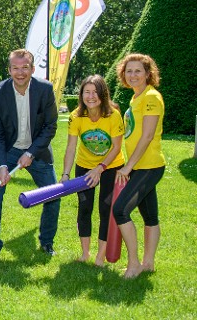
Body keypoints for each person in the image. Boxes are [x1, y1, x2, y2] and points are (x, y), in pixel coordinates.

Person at [0, 49, 59, 264]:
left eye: (25, 67)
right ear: (9, 70)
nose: (20, 72)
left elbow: (50, 125)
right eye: (15, 68)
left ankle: (46, 241)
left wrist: (31, 153)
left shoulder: (45, 89)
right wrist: (2, 166)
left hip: (37, 150)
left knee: (52, 195)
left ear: (32, 69)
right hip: (6, 149)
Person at [61, 75, 125, 266]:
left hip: (111, 166)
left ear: (103, 94)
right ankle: (85, 253)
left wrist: (100, 168)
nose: (91, 96)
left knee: (106, 209)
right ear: (81, 95)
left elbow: (116, 147)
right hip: (85, 165)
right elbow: (71, 147)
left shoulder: (113, 115)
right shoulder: (76, 116)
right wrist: (65, 173)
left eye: (95, 92)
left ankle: (100, 256)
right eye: (87, 92)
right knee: (85, 208)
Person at [113, 53, 165, 279]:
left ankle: (134, 264)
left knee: (120, 210)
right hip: (139, 166)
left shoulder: (151, 97)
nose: (132, 75)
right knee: (150, 216)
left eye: (138, 71)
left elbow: (147, 136)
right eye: (129, 71)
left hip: (148, 166)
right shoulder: (136, 98)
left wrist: (127, 167)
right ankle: (148, 264)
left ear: (148, 74)